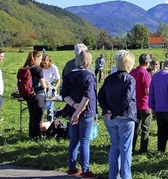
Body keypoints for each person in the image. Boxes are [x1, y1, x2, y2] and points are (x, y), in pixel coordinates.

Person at [98, 50, 136, 179]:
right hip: (125, 116)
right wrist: (114, 113)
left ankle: (113, 176)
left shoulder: (109, 78)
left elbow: (100, 95)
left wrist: (107, 110)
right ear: (129, 64)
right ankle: (126, 176)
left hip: (110, 117)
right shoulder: (130, 79)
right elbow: (126, 99)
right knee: (125, 148)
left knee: (115, 146)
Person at [63, 50, 98, 179]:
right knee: (84, 140)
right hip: (86, 111)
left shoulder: (68, 76)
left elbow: (65, 95)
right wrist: (79, 111)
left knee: (74, 140)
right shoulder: (89, 76)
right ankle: (85, 170)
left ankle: (72, 168)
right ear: (89, 61)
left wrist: (74, 106)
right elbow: (87, 96)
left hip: (72, 109)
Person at [129, 54, 152, 153]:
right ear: (147, 63)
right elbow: (147, 91)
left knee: (135, 128)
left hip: (134, 104)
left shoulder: (132, 72)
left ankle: (131, 147)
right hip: (144, 104)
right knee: (145, 128)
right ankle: (143, 149)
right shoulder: (145, 74)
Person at [22, 50, 48, 139]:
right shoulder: (38, 69)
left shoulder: (26, 68)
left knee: (32, 116)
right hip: (38, 95)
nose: (41, 61)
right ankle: (36, 136)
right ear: (36, 59)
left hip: (29, 96)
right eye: (40, 59)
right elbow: (43, 86)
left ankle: (31, 135)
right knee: (38, 117)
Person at [41, 54, 61, 122]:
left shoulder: (53, 67)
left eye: (45, 63)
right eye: (43, 63)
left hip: (50, 89)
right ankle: (41, 123)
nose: (44, 64)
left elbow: (58, 79)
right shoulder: (40, 68)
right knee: (41, 106)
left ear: (49, 61)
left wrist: (55, 87)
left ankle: (50, 122)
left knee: (50, 106)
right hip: (42, 88)